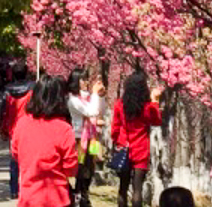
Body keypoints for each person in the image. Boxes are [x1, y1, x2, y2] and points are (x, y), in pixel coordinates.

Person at [12, 76, 78, 207]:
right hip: (56, 198)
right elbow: (70, 168)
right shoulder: (64, 129)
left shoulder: (22, 124)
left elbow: (15, 154)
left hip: (28, 198)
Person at [111, 71, 163, 207]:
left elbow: (115, 128)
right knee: (137, 188)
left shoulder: (119, 105)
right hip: (141, 148)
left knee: (123, 188)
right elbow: (157, 121)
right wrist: (155, 102)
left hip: (124, 147)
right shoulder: (147, 107)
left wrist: (116, 142)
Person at [65, 70, 105, 207]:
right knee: (81, 168)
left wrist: (100, 96)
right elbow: (91, 111)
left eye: (86, 79)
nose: (86, 82)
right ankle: (78, 194)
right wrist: (95, 95)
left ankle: (84, 193)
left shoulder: (86, 97)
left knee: (91, 166)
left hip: (93, 137)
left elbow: (100, 111)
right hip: (79, 139)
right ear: (75, 81)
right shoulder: (73, 100)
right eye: (82, 79)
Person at [0, 70, 36, 198]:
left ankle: (14, 189)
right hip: (29, 128)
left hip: (13, 129)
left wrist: (1, 128)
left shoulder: (8, 91)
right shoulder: (32, 90)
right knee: (28, 160)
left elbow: (3, 111)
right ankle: (27, 187)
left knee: (14, 160)